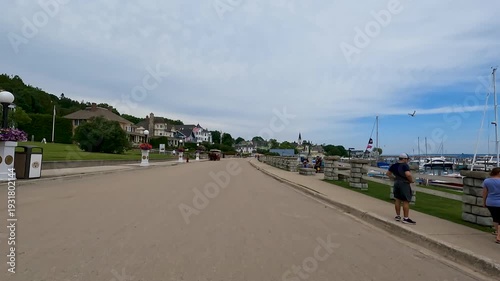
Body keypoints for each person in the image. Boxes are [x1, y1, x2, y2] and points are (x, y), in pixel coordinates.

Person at [386, 153, 416, 224]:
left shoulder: (394, 165)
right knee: (406, 200)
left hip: (396, 183)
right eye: (407, 159)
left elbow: (388, 173)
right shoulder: (405, 165)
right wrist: (411, 181)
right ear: (404, 159)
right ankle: (406, 218)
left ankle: (398, 216)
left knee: (397, 199)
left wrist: (394, 178)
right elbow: (408, 174)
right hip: (404, 183)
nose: (407, 160)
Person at [482, 167, 500, 243]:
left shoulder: (486, 181)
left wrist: (484, 202)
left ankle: (498, 233)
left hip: (490, 202)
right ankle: (499, 237)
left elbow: (484, 193)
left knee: (495, 219)